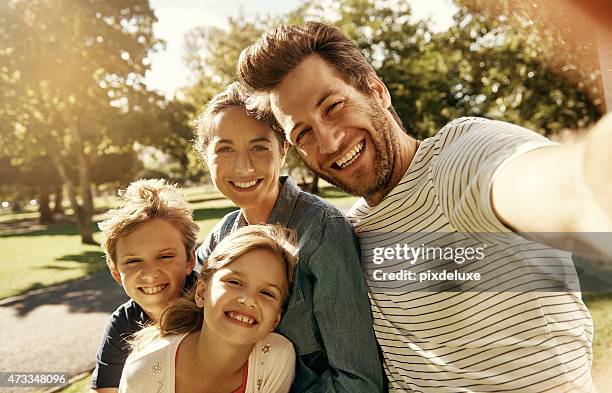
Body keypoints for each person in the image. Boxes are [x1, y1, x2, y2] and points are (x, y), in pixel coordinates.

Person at [238, 21, 612, 392]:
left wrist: (587, 182)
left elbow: (543, 183)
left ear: (376, 90)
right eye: (303, 133)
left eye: (333, 106)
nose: (329, 140)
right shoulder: (347, 231)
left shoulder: (454, 162)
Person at [194, 82, 384, 392]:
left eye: (259, 147)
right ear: (206, 156)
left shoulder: (322, 230)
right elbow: (177, 311)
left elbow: (359, 383)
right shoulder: (221, 237)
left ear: (283, 151)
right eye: (225, 148)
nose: (243, 166)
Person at [119, 224, 298, 393]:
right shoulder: (143, 370)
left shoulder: (276, 357)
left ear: (276, 318)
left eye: (267, 293)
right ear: (202, 292)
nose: (248, 299)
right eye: (234, 282)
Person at [91, 179, 199, 393]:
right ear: (115, 271)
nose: (150, 273)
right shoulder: (122, 325)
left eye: (165, 256)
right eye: (133, 261)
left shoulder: (214, 305)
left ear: (190, 260)